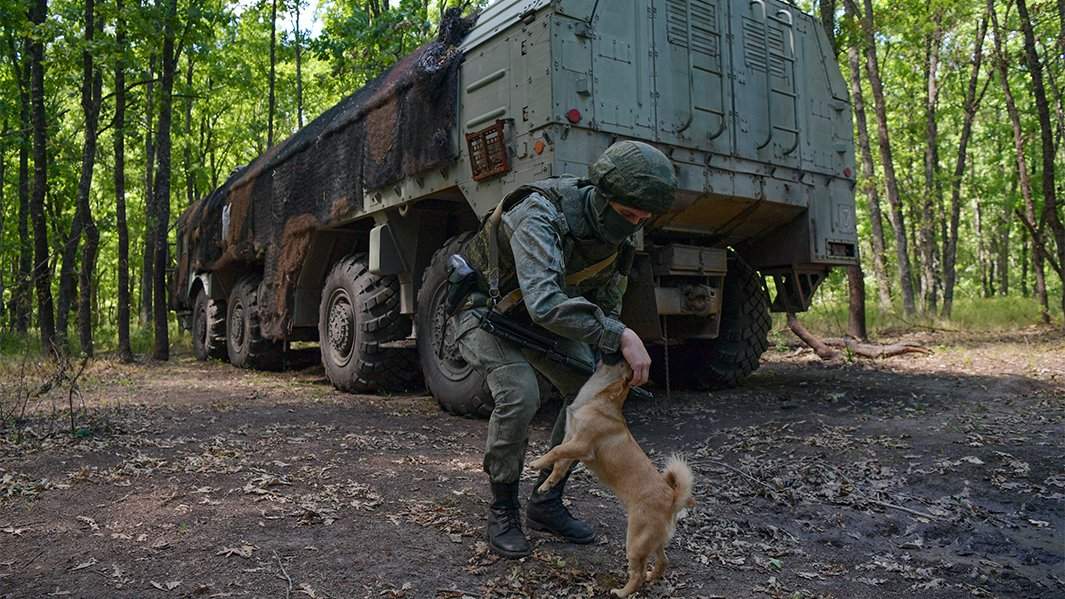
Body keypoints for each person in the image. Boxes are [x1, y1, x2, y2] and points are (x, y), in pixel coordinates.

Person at [450, 140, 678, 558]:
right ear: (602, 195)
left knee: (591, 396)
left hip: (539, 323)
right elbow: (545, 302)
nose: (633, 225)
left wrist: (609, 358)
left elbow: (607, 300)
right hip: (484, 314)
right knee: (520, 394)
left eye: (643, 218)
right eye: (627, 215)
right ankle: (503, 507)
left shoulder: (621, 232)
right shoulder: (538, 213)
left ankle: (546, 499)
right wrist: (622, 335)